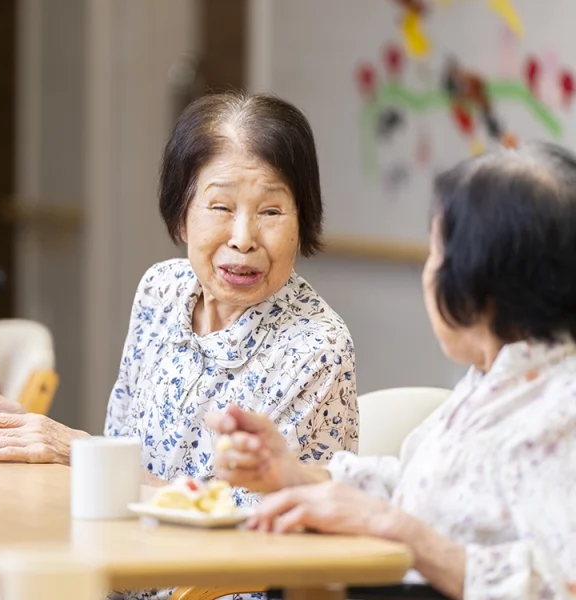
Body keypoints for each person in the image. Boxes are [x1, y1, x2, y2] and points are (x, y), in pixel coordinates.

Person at [0, 91, 357, 496]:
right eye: (221, 208)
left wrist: (76, 450)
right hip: (129, 548)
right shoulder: (162, 290)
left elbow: (253, 524)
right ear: (181, 217)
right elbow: (125, 455)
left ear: (303, 221)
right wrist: (21, 428)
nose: (244, 239)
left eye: (270, 211)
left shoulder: (316, 345)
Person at [209, 143, 576, 600]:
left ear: (482, 285)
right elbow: (419, 485)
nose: (428, 273)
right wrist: (291, 472)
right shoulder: (498, 378)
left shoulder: (561, 412)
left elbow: (561, 584)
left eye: (438, 256)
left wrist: (404, 534)